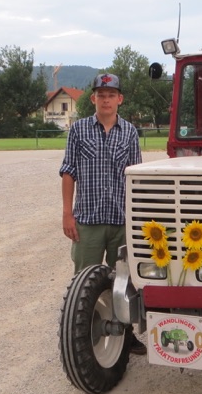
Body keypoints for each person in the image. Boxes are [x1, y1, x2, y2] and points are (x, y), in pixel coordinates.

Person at [59, 72, 146, 355]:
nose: (105, 100)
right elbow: (68, 172)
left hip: (121, 221)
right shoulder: (78, 130)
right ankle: (82, 336)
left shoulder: (130, 132)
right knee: (84, 283)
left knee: (125, 281)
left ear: (120, 99)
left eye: (111, 95)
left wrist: (137, 219)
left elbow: (135, 178)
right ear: (93, 98)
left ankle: (127, 335)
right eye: (101, 95)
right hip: (88, 221)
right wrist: (67, 214)